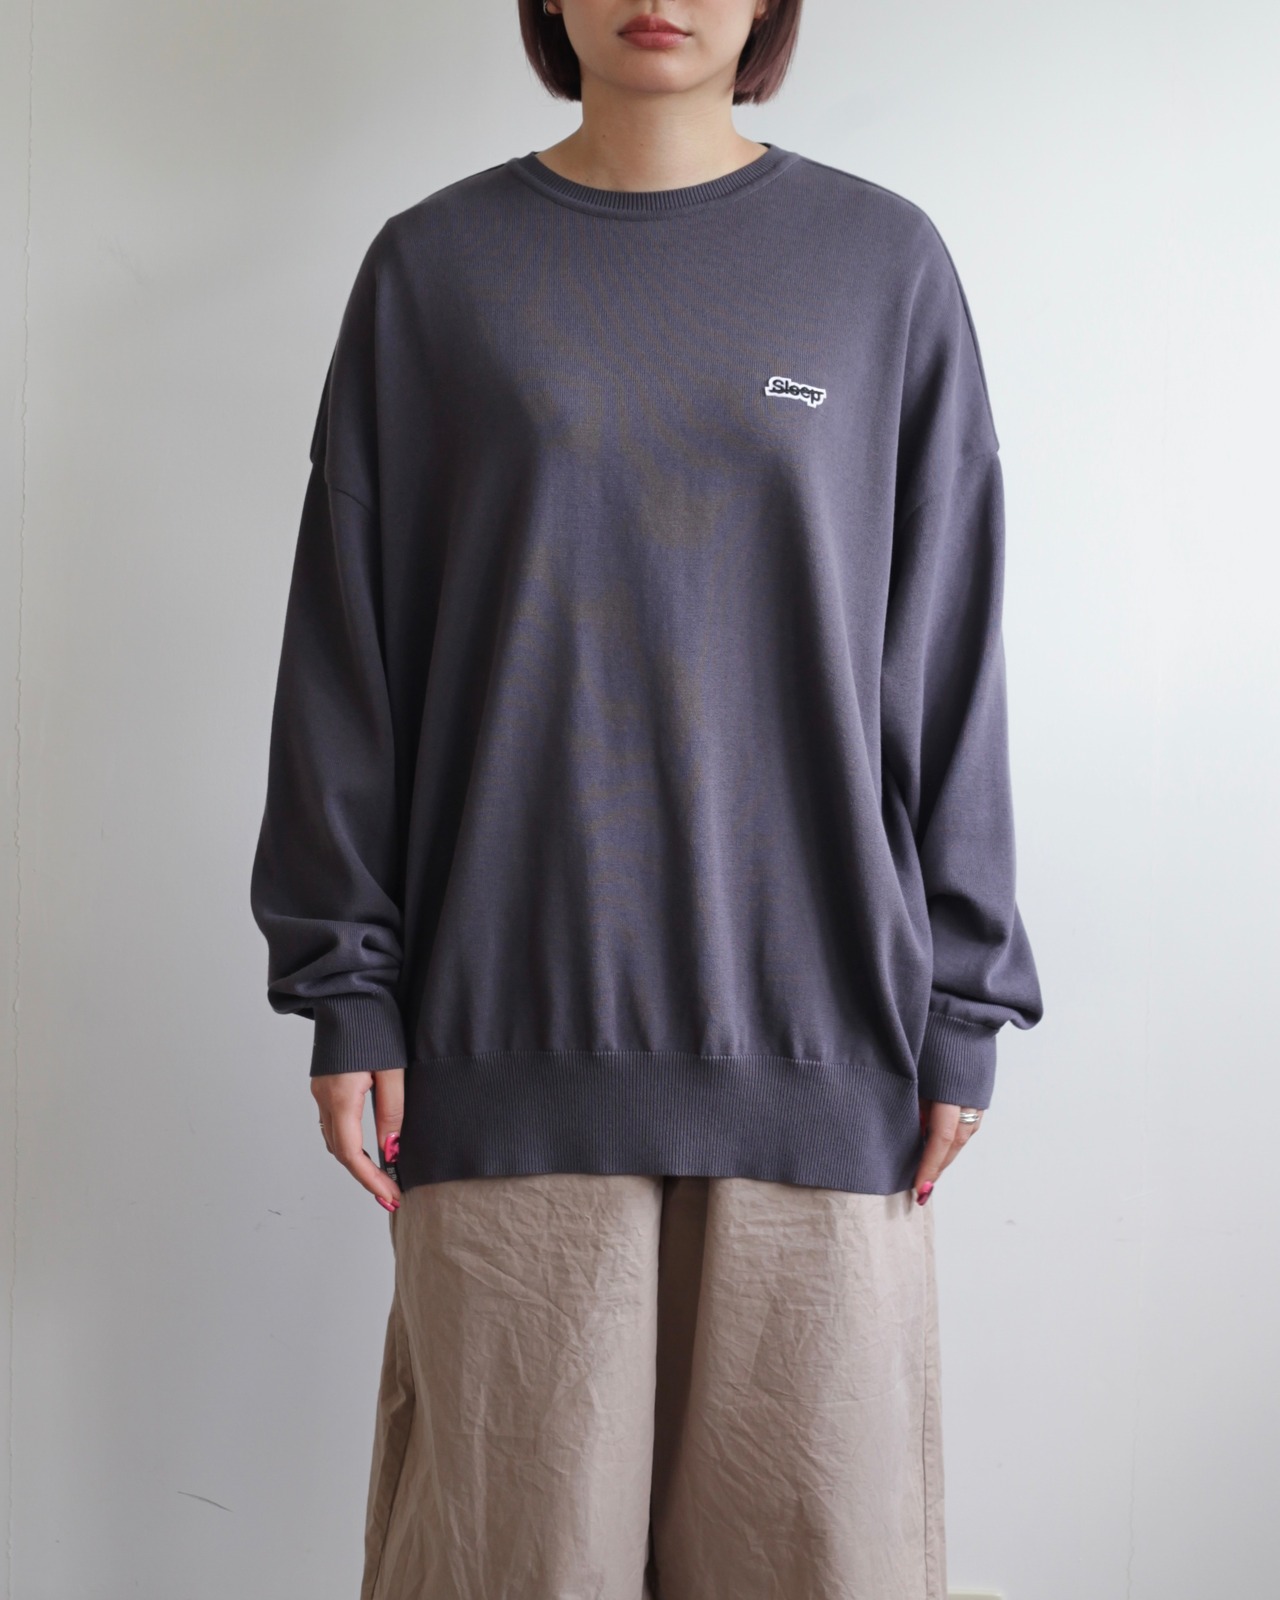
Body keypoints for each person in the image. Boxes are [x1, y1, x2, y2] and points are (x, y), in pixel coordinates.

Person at [249, 2, 1045, 1595]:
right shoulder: (435, 273)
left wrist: (966, 994)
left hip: (823, 1058)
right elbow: (350, 652)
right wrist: (347, 982)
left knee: (819, 1559)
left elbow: (946, 652)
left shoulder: (880, 267)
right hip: (506, 1057)